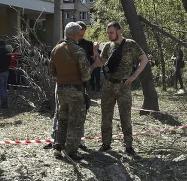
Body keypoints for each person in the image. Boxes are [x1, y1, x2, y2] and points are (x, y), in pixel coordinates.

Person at [49, 22, 103, 159]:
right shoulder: (78, 51)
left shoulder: (55, 50)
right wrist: (93, 66)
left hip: (61, 89)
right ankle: (71, 151)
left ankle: (58, 147)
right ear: (74, 35)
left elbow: (52, 72)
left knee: (62, 119)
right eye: (78, 33)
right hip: (75, 90)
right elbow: (85, 76)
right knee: (76, 121)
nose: (80, 36)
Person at [98, 21, 148, 155]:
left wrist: (134, 75)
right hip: (108, 85)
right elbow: (101, 62)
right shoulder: (108, 46)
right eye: (108, 33)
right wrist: (94, 52)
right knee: (106, 116)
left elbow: (144, 59)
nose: (109, 35)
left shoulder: (130, 44)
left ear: (119, 31)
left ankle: (128, 146)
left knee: (125, 116)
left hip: (123, 86)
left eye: (111, 32)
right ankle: (106, 144)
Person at [0, 40, 12, 109]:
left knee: (1, 88)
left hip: (0, 71)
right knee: (5, 87)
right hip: (6, 71)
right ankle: (6, 102)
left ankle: (3, 102)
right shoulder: (7, 52)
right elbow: (9, 61)